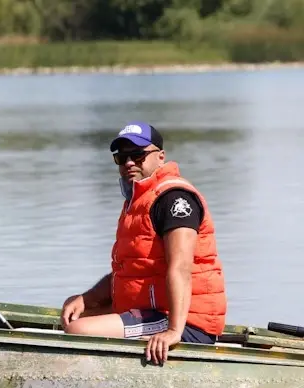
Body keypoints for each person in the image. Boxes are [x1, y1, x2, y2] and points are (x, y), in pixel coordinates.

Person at [61, 121, 227, 365]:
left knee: (78, 331)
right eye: (122, 158)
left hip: (186, 320)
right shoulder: (137, 201)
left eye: (138, 156)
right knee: (71, 316)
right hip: (152, 312)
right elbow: (131, 270)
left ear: (160, 157)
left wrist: (173, 331)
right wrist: (86, 299)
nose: (129, 163)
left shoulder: (175, 200)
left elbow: (180, 268)